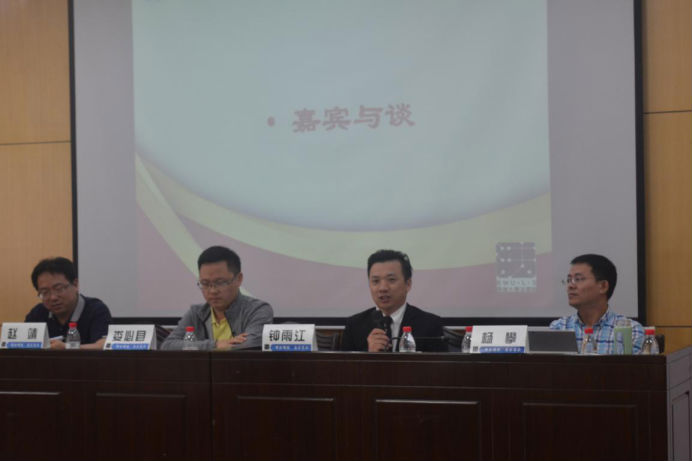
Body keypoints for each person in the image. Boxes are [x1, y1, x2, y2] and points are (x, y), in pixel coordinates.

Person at [162, 246, 273, 350]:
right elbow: (168, 345)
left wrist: (197, 347)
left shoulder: (257, 310)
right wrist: (216, 344)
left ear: (238, 279)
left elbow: (250, 344)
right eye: (205, 283)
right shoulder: (196, 313)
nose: (212, 291)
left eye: (220, 282)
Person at [341, 249, 445, 352]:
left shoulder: (430, 325)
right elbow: (344, 363)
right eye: (376, 281)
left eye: (391, 280)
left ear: (408, 284)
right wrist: (369, 354)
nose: (383, 288)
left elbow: (438, 363)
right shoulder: (354, 326)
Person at [550, 254, 644, 354]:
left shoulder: (631, 332)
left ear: (603, 286)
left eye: (578, 279)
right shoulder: (559, 328)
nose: (570, 286)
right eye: (569, 280)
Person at [25, 257, 112, 349]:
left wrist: (67, 348)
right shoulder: (37, 313)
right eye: (45, 292)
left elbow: (103, 345)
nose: (53, 297)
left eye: (59, 289)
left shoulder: (96, 310)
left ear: (75, 284)